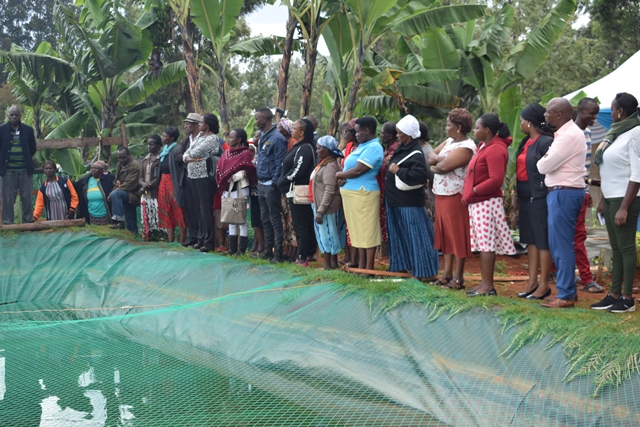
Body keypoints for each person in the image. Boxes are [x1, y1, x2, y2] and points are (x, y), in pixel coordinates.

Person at [591, 93, 640, 313]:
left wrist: (624, 207)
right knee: (616, 248)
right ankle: (614, 294)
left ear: (620, 111)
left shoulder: (635, 133)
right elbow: (609, 170)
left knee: (626, 247)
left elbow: (637, 174)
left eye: (612, 109)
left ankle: (628, 298)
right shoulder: (615, 134)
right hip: (610, 197)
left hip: (625, 199)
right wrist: (602, 199)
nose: (610, 113)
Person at [536, 98, 587, 309]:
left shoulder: (569, 136)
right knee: (559, 243)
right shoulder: (566, 134)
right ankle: (568, 292)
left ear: (560, 115)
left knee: (562, 244)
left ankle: (565, 294)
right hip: (562, 192)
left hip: (564, 193)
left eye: (548, 112)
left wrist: (544, 160)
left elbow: (543, 165)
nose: (545, 115)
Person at [462, 114, 516, 296]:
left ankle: (488, 286)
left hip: (486, 202)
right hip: (478, 202)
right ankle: (484, 283)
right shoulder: (485, 146)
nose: (474, 130)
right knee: (482, 243)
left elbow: (495, 180)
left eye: (477, 127)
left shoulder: (495, 149)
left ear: (486, 130)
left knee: (486, 245)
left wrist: (475, 190)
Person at [385, 115, 439, 280]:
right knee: (400, 236)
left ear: (408, 134)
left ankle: (426, 271)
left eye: (400, 133)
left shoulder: (415, 152)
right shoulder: (404, 149)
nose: (397, 136)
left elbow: (419, 176)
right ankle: (402, 266)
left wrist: (398, 171)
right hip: (396, 200)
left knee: (417, 236)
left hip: (408, 203)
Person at [428, 108, 476, 289]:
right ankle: (446, 274)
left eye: (448, 125)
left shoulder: (467, 147)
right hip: (441, 194)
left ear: (458, 127)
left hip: (455, 195)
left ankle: (458, 278)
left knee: (457, 235)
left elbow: (442, 167)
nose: (446, 128)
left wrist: (438, 161)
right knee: (445, 236)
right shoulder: (450, 141)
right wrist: (441, 160)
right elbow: (430, 157)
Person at [515, 104, 554, 300]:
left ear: (529, 122)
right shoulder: (525, 141)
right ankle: (532, 282)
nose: (520, 124)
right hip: (524, 194)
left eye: (522, 120)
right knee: (530, 239)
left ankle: (544, 284)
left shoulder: (545, 141)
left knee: (541, 240)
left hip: (538, 195)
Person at [336, 116, 384, 273]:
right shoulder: (363, 146)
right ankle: (361, 265)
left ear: (367, 130)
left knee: (367, 230)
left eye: (357, 132)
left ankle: (368, 267)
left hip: (364, 193)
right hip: (352, 194)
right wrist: (342, 177)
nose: (355, 135)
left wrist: (338, 175)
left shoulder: (374, 147)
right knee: (357, 231)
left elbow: (358, 170)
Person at [277, 118, 317, 266]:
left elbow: (298, 170)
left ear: (302, 132)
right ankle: (309, 253)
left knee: (301, 225)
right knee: (302, 224)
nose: (292, 130)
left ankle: (302, 257)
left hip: (299, 191)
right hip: (293, 190)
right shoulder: (298, 145)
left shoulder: (305, 148)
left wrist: (282, 181)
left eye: (294, 128)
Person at [574, 98, 604, 293]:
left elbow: (582, 168)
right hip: (570, 192)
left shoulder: (588, 132)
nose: (593, 117)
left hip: (580, 191)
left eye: (595, 114)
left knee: (577, 235)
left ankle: (562, 271)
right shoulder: (571, 133)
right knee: (576, 236)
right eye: (590, 113)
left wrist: (587, 190)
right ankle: (585, 278)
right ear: (579, 111)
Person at [254, 107, 288, 263]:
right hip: (261, 183)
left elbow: (280, 162)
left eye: (257, 119)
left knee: (274, 219)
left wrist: (274, 183)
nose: (255, 121)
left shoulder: (277, 138)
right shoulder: (263, 137)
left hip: (271, 185)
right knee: (264, 218)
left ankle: (278, 253)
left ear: (265, 119)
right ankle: (268, 250)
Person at [216, 128, 257, 255]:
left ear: (239, 139)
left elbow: (248, 171)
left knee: (241, 218)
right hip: (228, 188)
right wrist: (225, 178)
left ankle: (242, 249)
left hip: (240, 187)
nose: (230, 139)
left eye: (232, 137)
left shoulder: (245, 154)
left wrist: (234, 176)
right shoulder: (227, 153)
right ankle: (232, 248)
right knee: (231, 218)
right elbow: (220, 168)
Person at [183, 113, 220, 252]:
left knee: (205, 209)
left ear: (208, 124)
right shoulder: (199, 137)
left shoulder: (212, 139)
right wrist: (188, 158)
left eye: (201, 122)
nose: (199, 124)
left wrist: (189, 157)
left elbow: (194, 152)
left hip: (204, 176)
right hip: (193, 175)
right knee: (197, 209)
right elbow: (187, 153)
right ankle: (200, 238)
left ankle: (209, 242)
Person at [311, 135, 345, 269]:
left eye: (319, 148)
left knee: (329, 236)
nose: (317, 150)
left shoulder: (330, 166)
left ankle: (330, 265)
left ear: (326, 150)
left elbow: (329, 190)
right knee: (324, 234)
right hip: (320, 205)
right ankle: (329, 264)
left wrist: (321, 210)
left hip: (327, 207)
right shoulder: (325, 163)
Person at [0, 106, 37, 224]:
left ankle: (28, 222)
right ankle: (7, 223)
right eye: (12, 115)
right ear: (8, 116)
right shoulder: (1, 130)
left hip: (25, 170)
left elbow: (32, 148)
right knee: (7, 199)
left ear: (20, 116)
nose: (14, 117)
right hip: (7, 171)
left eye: (16, 115)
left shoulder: (28, 130)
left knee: (27, 197)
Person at [157, 127, 187, 244]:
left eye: (164, 136)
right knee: (166, 210)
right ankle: (170, 240)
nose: (162, 138)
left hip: (173, 182)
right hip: (163, 182)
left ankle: (183, 240)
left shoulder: (177, 149)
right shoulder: (164, 150)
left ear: (172, 138)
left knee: (179, 210)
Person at [339, 119, 359, 267]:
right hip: (346, 189)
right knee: (347, 225)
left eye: (346, 131)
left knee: (357, 226)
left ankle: (356, 259)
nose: (344, 134)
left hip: (359, 190)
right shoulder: (348, 147)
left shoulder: (363, 147)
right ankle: (348, 256)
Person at [278, 118, 298, 261]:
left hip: (290, 186)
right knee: (284, 219)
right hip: (283, 186)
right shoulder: (283, 142)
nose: (278, 128)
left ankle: (293, 251)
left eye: (280, 126)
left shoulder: (293, 143)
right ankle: (286, 249)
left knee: (291, 220)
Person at [181, 113, 202, 247]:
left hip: (200, 177)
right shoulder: (186, 140)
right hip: (187, 176)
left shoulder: (203, 138)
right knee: (190, 208)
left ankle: (202, 238)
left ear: (195, 125)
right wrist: (187, 158)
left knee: (201, 208)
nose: (185, 126)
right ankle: (193, 237)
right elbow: (180, 155)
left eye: (188, 123)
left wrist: (188, 157)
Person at [109, 146, 141, 234]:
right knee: (130, 218)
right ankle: (133, 236)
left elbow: (130, 184)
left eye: (124, 157)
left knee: (115, 194)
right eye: (119, 158)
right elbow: (116, 181)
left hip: (133, 194)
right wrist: (113, 191)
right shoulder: (120, 165)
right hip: (124, 193)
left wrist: (113, 192)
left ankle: (119, 221)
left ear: (129, 155)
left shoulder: (134, 166)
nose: (121, 159)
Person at [74, 160, 114, 225]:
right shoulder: (86, 181)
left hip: (105, 215)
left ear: (102, 170)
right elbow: (74, 186)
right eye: (92, 168)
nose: (93, 170)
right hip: (91, 215)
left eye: (96, 168)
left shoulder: (108, 180)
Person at [378, 121, 398, 250]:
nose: (380, 136)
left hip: (394, 194)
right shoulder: (387, 150)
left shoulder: (395, 150)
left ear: (390, 136)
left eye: (382, 133)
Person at [139, 134, 163, 241]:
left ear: (158, 145)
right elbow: (140, 176)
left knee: (157, 213)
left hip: (156, 192)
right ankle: (148, 235)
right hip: (145, 193)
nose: (149, 146)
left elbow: (160, 176)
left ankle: (161, 235)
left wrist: (148, 185)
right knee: (147, 214)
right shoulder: (145, 159)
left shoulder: (161, 158)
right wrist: (143, 184)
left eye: (152, 144)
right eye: (148, 144)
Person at [248, 129, 264, 255]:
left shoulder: (264, 153)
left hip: (263, 190)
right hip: (253, 191)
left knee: (263, 219)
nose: (255, 138)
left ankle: (263, 245)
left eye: (258, 136)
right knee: (255, 219)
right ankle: (257, 243)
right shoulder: (255, 154)